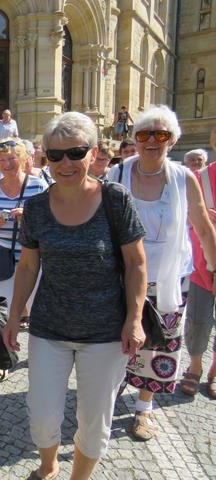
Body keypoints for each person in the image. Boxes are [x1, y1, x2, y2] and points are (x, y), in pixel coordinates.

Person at [3, 112, 148, 480]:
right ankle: (48, 469)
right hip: (49, 328)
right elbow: (27, 268)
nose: (65, 163)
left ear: (93, 153)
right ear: (44, 159)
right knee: (42, 414)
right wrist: (14, 316)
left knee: (95, 419)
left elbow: (135, 264)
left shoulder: (115, 199)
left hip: (105, 333)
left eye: (75, 152)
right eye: (55, 155)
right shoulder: (36, 207)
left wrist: (134, 319)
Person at [107, 105, 216, 441]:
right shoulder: (118, 175)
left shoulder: (184, 178)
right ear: (135, 139)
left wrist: (214, 264)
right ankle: (104, 401)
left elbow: (201, 224)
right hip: (122, 278)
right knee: (114, 341)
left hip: (169, 280)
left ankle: (143, 409)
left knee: (159, 345)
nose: (151, 140)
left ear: (172, 139)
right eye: (144, 134)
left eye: (161, 134)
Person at [0, 139, 48, 390]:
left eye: (12, 158)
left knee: (39, 313)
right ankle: (1, 364)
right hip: (1, 259)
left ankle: (43, 362)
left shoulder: (39, 185)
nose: (6, 164)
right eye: (2, 159)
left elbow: (53, 222)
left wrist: (28, 217)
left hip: (34, 260)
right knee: (1, 315)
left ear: (25, 159)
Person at [182, 156, 216, 398]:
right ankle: (195, 365)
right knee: (197, 319)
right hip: (202, 264)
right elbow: (180, 217)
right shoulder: (200, 178)